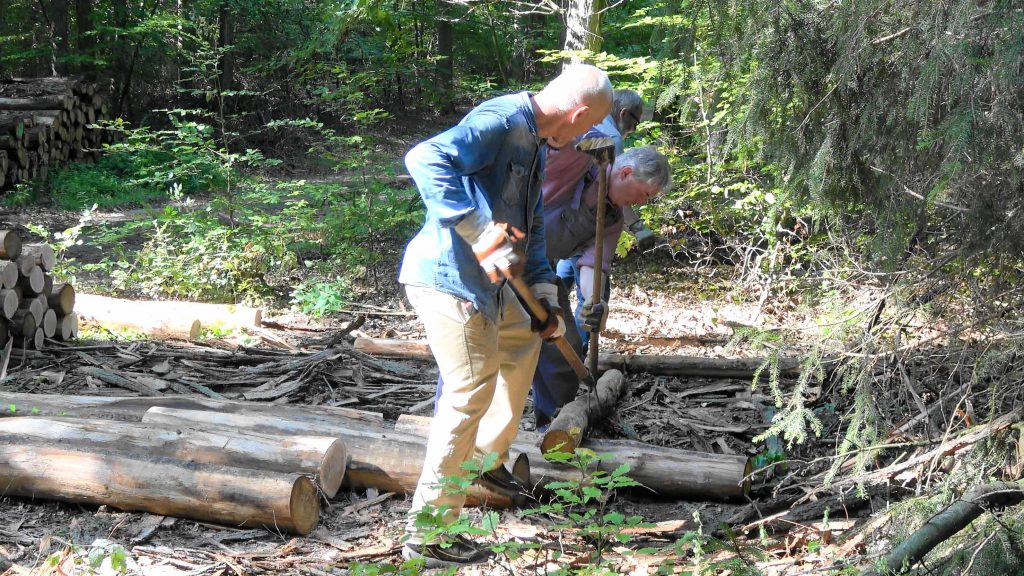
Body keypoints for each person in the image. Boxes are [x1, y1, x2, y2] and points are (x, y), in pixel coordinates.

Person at [398, 64, 612, 569]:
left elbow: (530, 226)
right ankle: (427, 534)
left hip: (494, 287)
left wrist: (546, 296)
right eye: (586, 127)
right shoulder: (501, 120)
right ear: (578, 114)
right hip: (448, 279)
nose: (583, 137)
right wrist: (478, 230)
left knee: (523, 338)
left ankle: (484, 460)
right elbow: (424, 157)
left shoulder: (535, 141)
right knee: (469, 392)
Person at [533, 144, 671, 429]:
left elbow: (592, 265)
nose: (640, 203)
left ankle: (553, 426)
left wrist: (594, 301)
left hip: (541, 272)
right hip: (502, 255)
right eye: (644, 194)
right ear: (625, 173)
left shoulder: (612, 219)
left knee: (566, 346)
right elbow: (555, 140)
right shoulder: (580, 167)